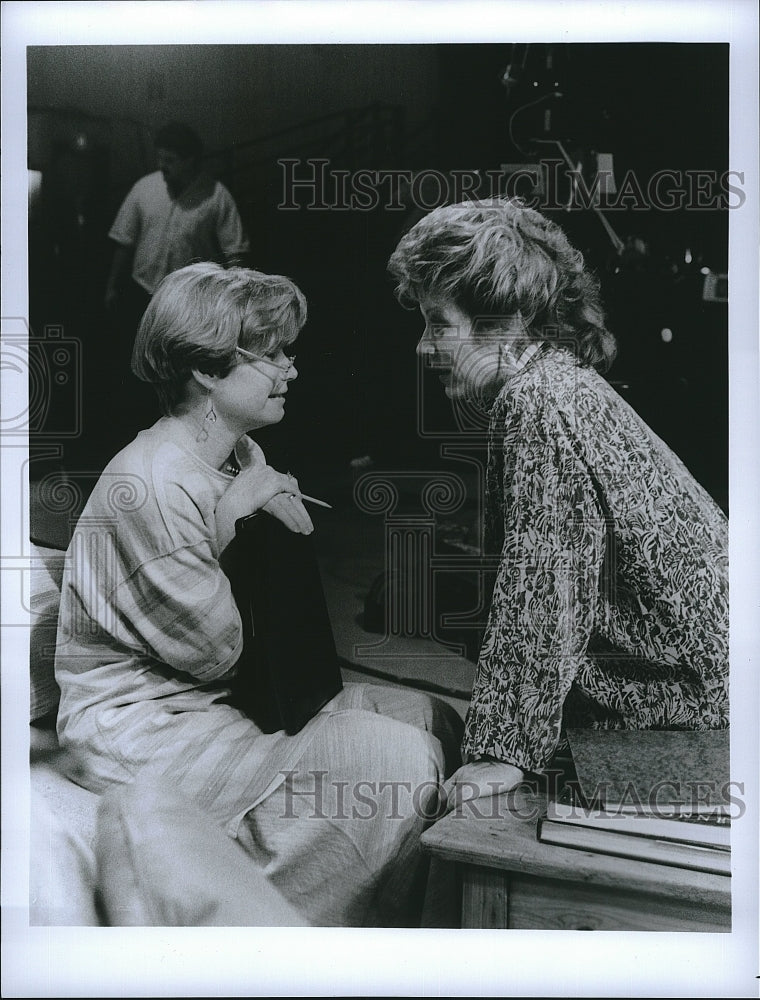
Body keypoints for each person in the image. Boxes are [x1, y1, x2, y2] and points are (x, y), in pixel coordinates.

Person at [54, 262, 463, 927]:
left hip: (218, 701)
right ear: (209, 371)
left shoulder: (236, 453)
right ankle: (319, 940)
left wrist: (257, 507)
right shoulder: (150, 481)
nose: (291, 369)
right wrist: (238, 516)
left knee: (430, 716)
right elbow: (215, 652)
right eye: (272, 354)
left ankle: (417, 931)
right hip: (144, 727)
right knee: (395, 760)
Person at [387, 197, 728, 810]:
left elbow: (547, 587)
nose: (421, 347)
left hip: (696, 715)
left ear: (504, 321)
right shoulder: (557, 381)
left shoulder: (539, 404)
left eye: (438, 323)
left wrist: (501, 752)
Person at [104, 122, 250, 320]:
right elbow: (123, 240)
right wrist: (111, 286)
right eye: (159, 158)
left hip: (190, 297)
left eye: (170, 160)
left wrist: (236, 297)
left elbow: (235, 251)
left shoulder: (216, 196)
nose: (161, 166)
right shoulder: (144, 187)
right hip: (142, 291)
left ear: (189, 161)